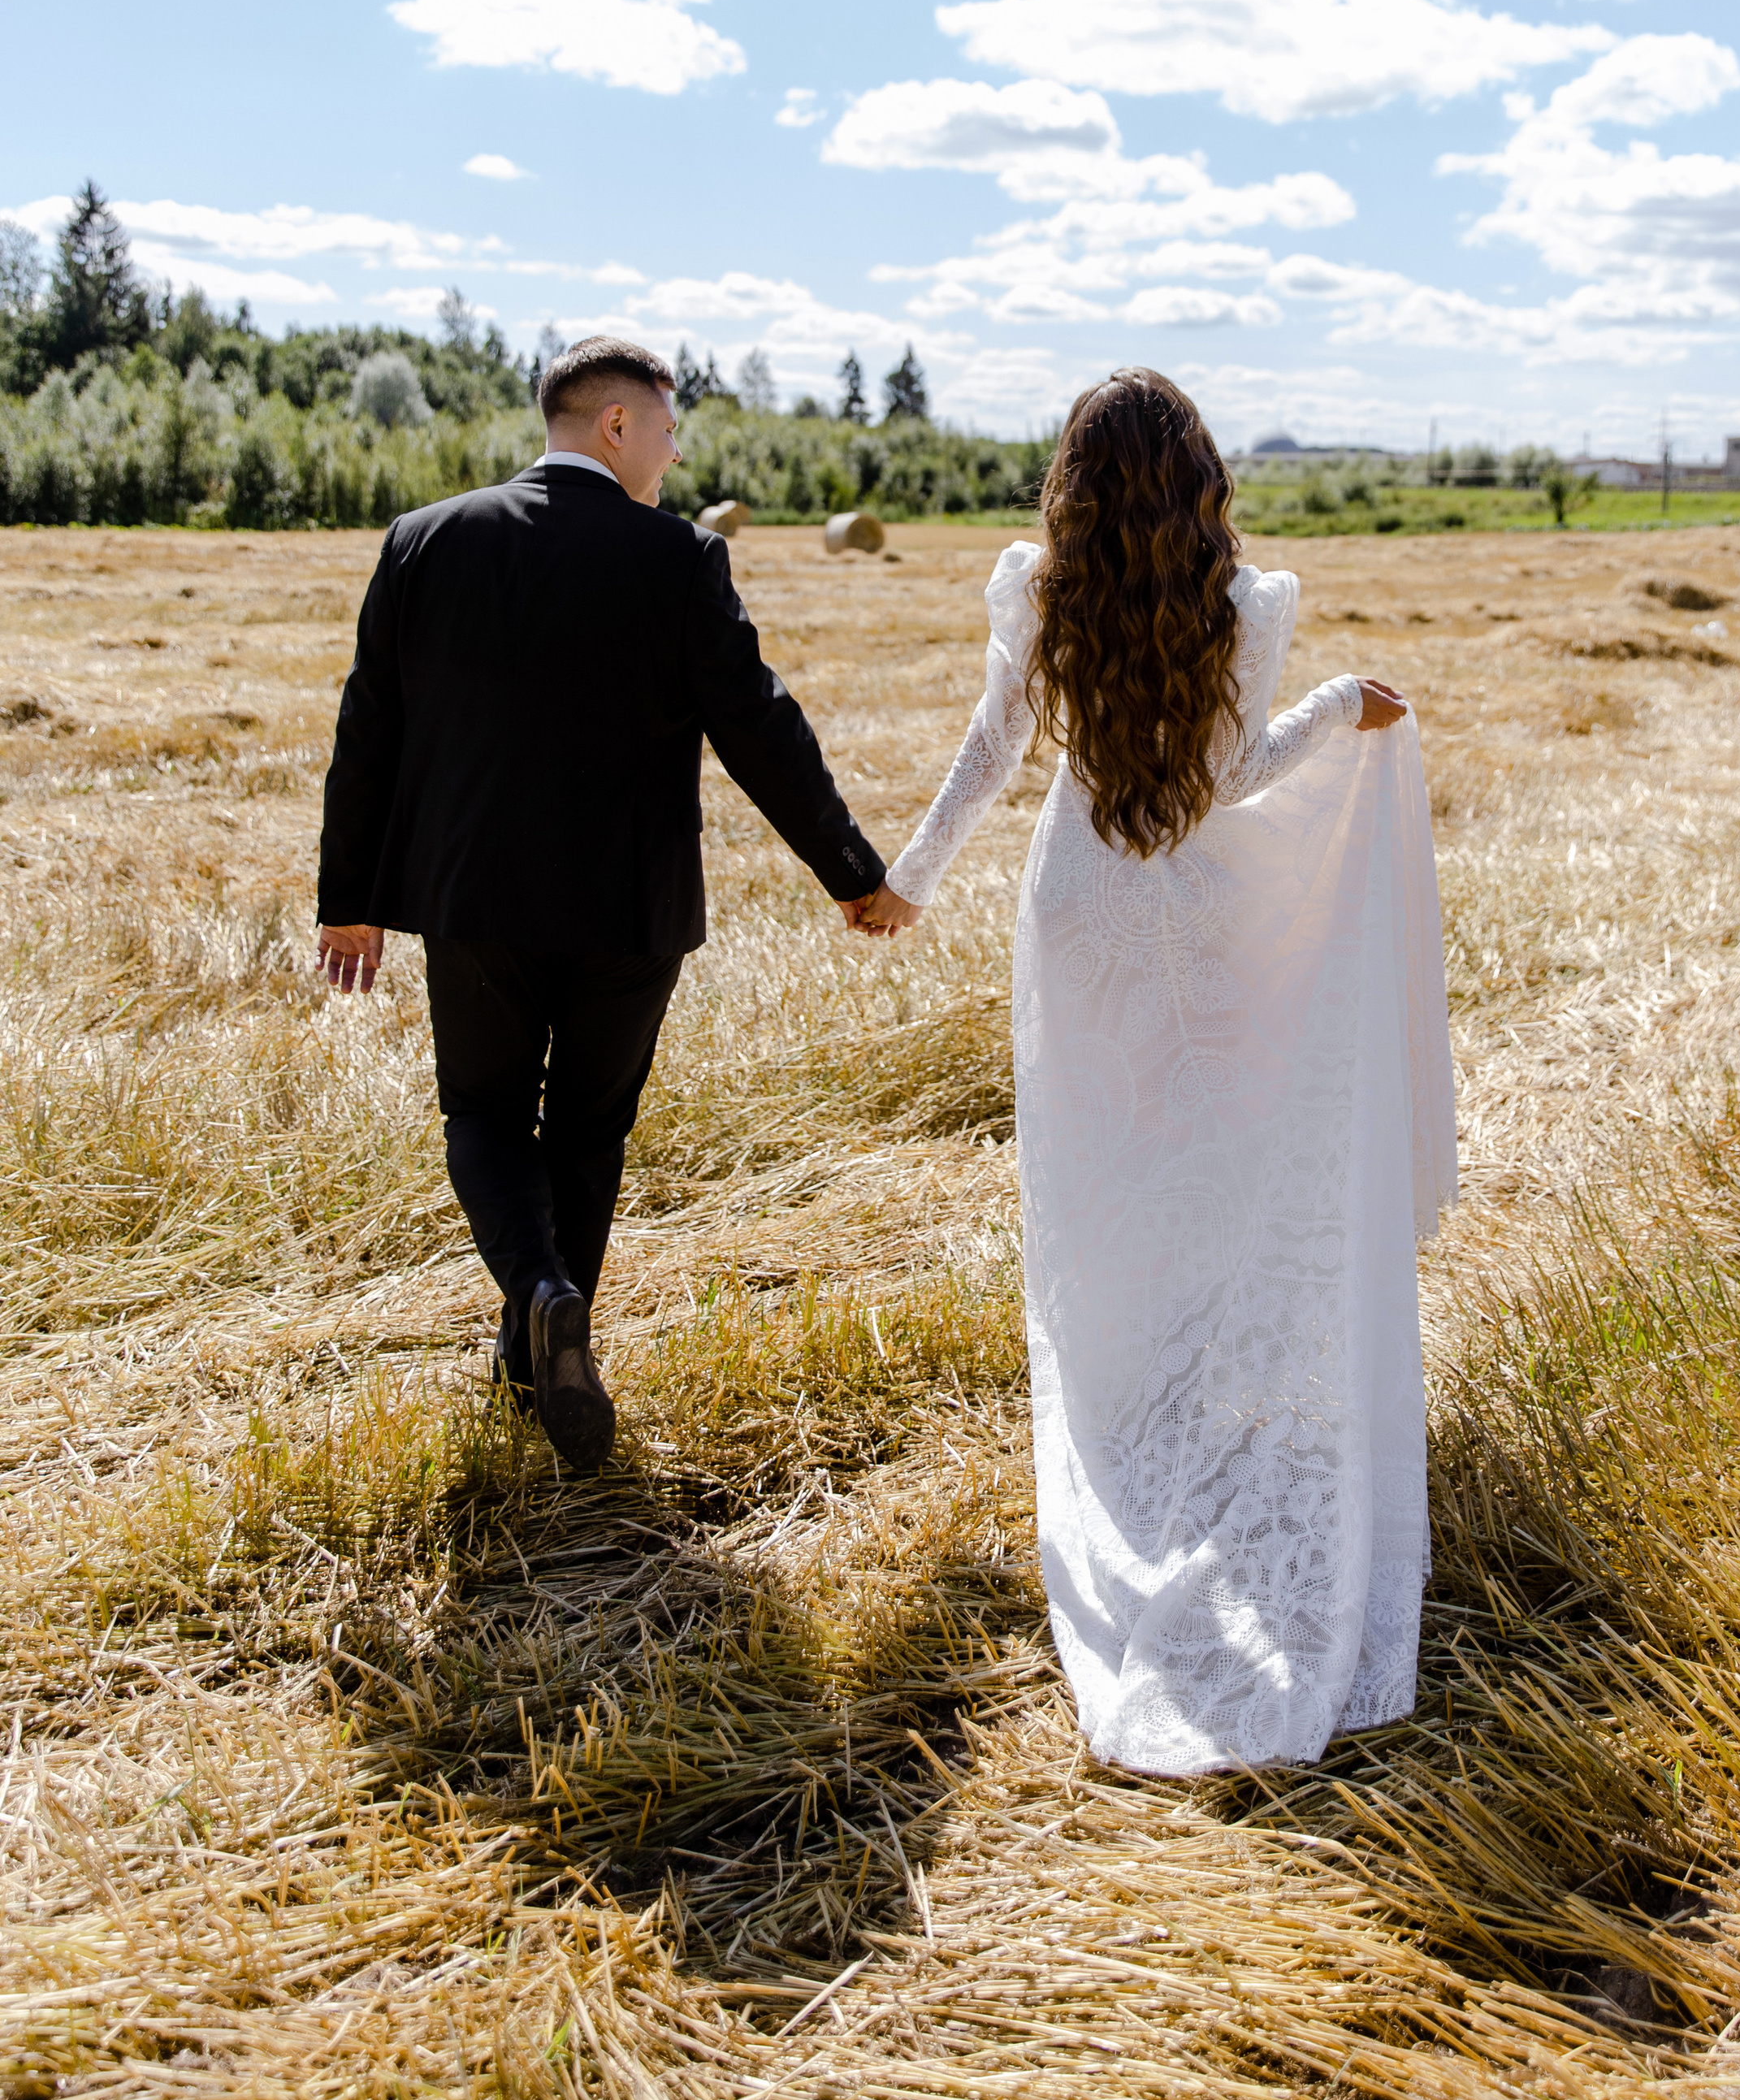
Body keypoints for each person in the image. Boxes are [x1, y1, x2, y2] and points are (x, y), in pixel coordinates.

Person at [860, 370, 1456, 1774]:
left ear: (1073, 480)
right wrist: (1332, 715)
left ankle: (1131, 1415)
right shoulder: (1245, 609)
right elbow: (1232, 779)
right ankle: (1218, 1397)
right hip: (1198, 916)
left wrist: (907, 881)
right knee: (1221, 1163)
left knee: (1104, 1178)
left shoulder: (1040, 593)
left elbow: (991, 752)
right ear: (1198, 478)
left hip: (1080, 914)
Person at [314, 336, 907, 1473]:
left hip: (475, 899)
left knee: (484, 1118)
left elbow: (367, 733)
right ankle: (538, 1357)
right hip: (628, 911)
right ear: (617, 426)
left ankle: (539, 1305)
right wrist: (851, 872)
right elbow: (760, 729)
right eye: (670, 431)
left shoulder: (425, 543)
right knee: (587, 1134)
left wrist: (352, 900)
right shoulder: (675, 559)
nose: (677, 458)